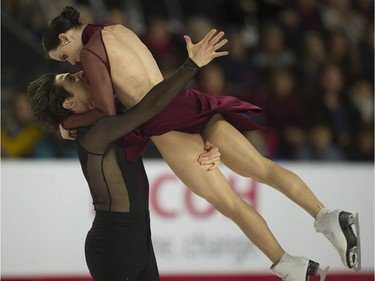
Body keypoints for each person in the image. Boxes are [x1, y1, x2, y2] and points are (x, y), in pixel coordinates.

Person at [40, 6, 361, 280]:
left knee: (231, 204)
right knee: (263, 167)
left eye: (64, 56)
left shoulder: (90, 52)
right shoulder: (116, 29)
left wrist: (67, 122)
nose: (71, 63)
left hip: (165, 125)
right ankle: (328, 215)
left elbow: (109, 114)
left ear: (66, 38)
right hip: (186, 101)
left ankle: (290, 265)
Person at [28, 31, 223, 281]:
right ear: (68, 103)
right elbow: (149, 108)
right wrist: (192, 65)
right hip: (114, 243)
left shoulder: (103, 123)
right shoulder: (93, 133)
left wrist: (206, 143)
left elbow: (159, 125)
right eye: (70, 79)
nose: (78, 73)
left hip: (137, 236)